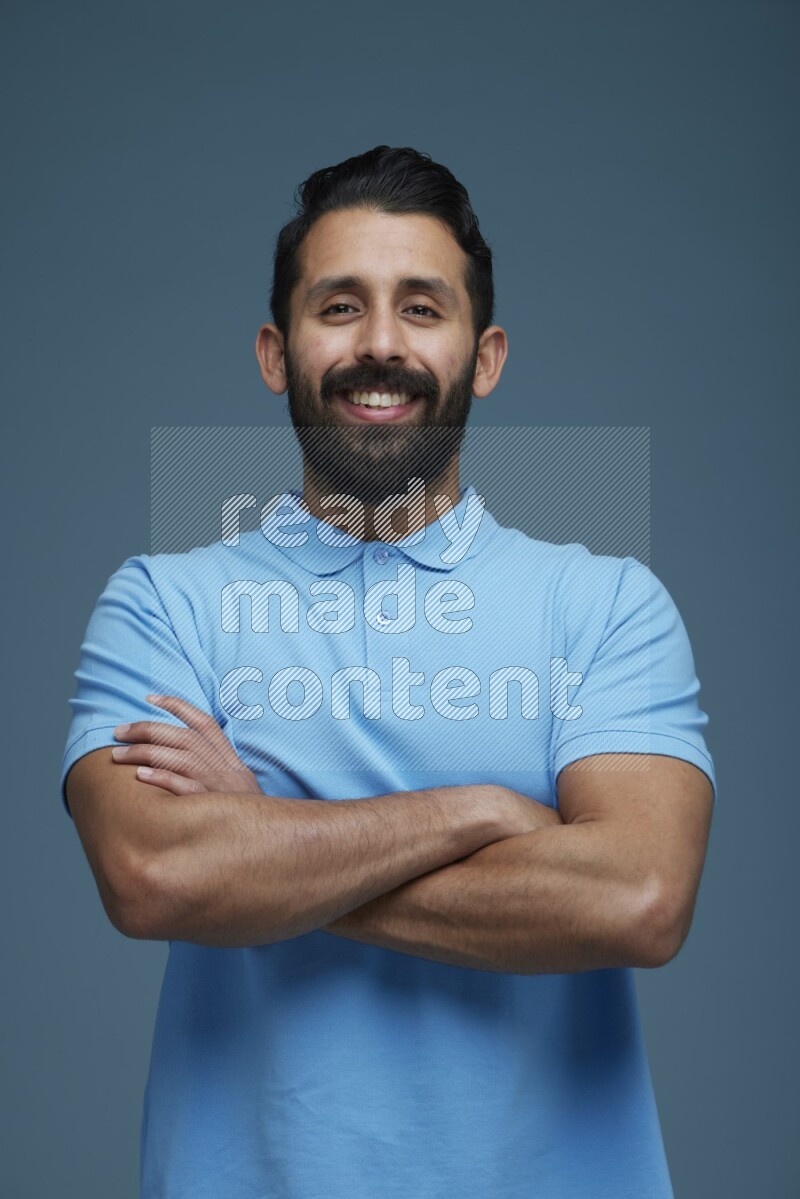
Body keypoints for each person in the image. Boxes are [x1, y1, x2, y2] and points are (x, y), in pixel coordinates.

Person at [61, 145, 716, 1198]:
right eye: (338, 307)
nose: (378, 345)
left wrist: (263, 837)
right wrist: (483, 807)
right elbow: (155, 876)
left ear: (483, 354)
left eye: (420, 308)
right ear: (276, 352)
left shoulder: (601, 606)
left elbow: (636, 897)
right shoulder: (164, 603)